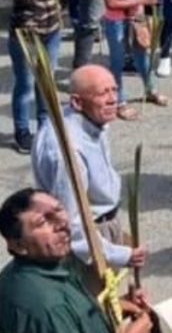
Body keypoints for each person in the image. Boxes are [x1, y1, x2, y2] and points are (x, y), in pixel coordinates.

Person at [0, 188, 155, 333]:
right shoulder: (48, 308)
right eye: (42, 222)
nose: (61, 224)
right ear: (18, 246)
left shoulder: (30, 270)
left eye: (59, 210)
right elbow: (57, 319)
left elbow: (72, 322)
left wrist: (119, 306)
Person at [32, 65, 148, 280]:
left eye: (114, 90)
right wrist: (120, 254)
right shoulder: (68, 151)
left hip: (104, 225)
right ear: (77, 102)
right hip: (88, 242)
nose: (113, 99)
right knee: (96, 304)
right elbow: (69, 222)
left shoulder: (92, 119)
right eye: (103, 93)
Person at [1, 0, 73, 153]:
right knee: (26, 82)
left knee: (47, 80)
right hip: (26, 32)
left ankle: (46, 124)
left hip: (51, 27)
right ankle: (22, 129)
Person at [93, 0, 167, 117]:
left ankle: (151, 89)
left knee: (142, 55)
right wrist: (143, 1)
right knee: (117, 62)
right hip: (115, 21)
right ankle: (120, 101)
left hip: (136, 17)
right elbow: (112, 3)